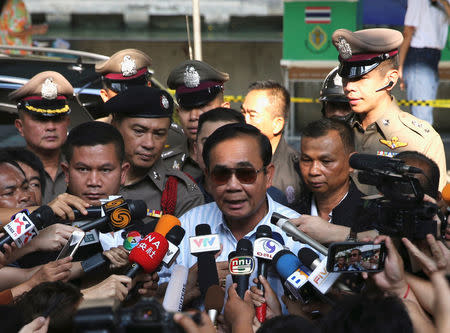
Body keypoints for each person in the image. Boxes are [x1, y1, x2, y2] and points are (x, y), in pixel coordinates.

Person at [161, 123, 319, 306]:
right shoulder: (186, 226)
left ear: (268, 176)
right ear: (208, 178)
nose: (233, 186)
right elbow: (155, 299)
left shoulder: (298, 234)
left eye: (246, 174)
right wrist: (188, 283)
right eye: (221, 174)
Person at [331, 28, 447, 191]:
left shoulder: (421, 140)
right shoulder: (334, 132)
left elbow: (434, 205)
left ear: (390, 80)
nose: (349, 86)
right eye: (346, 78)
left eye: (360, 78)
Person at [105, 86, 204, 220]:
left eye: (159, 134)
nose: (149, 144)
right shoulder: (86, 179)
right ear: (115, 126)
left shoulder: (180, 192)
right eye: (139, 131)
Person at [292, 118, 376, 244]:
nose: (314, 171)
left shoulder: (372, 216)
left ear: (351, 163)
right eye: (307, 160)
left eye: (326, 161)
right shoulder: (291, 213)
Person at [194, 107, 288, 205]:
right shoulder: (183, 196)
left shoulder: (275, 199)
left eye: (232, 142)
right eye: (209, 143)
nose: (233, 185)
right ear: (195, 149)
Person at [11, 71, 73, 203]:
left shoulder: (82, 167)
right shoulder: (7, 171)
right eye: (41, 120)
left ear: (67, 123)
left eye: (57, 119)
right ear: (20, 127)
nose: (51, 127)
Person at [165, 59, 230, 179]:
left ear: (224, 109)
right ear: (178, 112)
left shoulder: (244, 159)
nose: (193, 116)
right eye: (187, 108)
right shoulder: (165, 165)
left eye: (203, 106)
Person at [241, 80, 302, 206]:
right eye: (243, 112)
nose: (244, 120)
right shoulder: (232, 160)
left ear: (277, 124)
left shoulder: (298, 169)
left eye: (252, 115)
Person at [399, 0, 450, 125]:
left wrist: (443, 3)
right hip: (418, 56)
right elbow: (408, 32)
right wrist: (399, 66)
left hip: (433, 57)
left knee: (423, 114)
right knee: (422, 118)